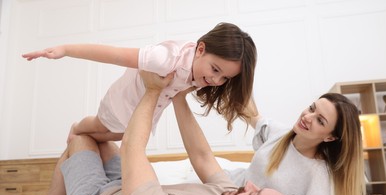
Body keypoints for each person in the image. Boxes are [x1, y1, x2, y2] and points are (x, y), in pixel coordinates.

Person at [27, 71, 313, 195]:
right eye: (256, 188)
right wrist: (178, 97)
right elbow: (201, 156)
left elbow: (132, 148)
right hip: (121, 190)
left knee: (81, 137)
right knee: (99, 139)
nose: (248, 186)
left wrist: (153, 89)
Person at [22, 22, 257, 143]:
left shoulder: (202, 68)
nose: (216, 80)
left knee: (120, 136)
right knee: (101, 126)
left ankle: (87, 138)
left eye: (224, 78)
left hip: (145, 110)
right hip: (123, 102)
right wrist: (65, 50)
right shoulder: (165, 58)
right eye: (215, 70)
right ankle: (78, 128)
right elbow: (113, 54)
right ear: (201, 49)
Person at [226, 93, 365, 195]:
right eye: (311, 108)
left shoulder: (317, 172)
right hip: (227, 186)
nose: (307, 117)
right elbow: (252, 114)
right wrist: (239, 82)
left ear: (330, 138)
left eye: (320, 121)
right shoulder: (280, 132)